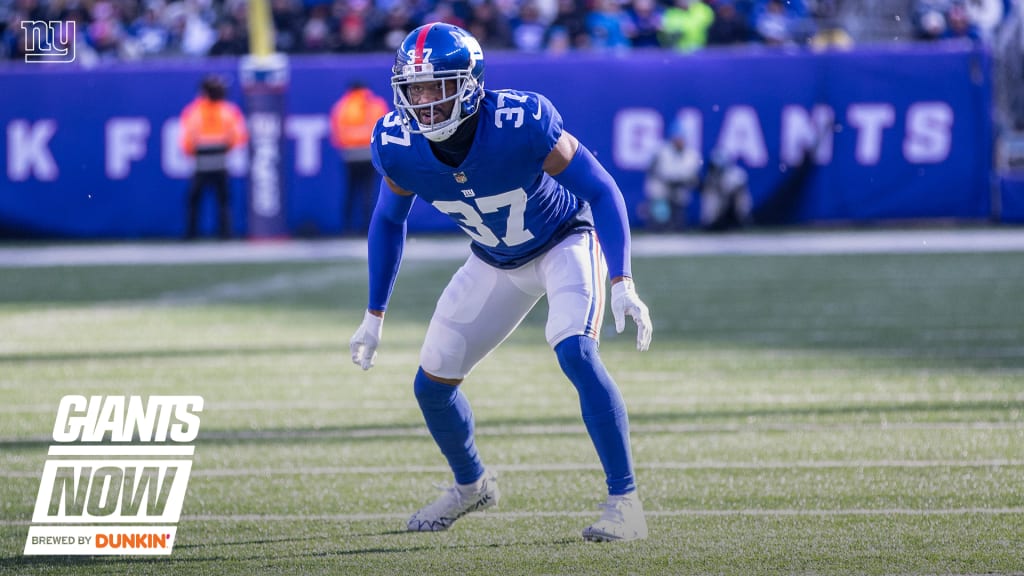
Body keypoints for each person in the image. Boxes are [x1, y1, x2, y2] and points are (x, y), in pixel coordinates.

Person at [348, 22, 653, 542]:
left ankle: (626, 503)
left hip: (562, 241)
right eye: (413, 89)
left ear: (470, 83)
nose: (423, 102)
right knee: (432, 385)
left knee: (575, 351)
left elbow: (601, 190)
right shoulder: (398, 144)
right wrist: (374, 314)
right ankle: (473, 486)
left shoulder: (520, 121)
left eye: (435, 86)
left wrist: (623, 279)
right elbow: (387, 220)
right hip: (494, 258)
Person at [179, 75, 248, 240]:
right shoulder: (225, 111)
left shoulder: (197, 112)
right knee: (217, 200)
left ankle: (198, 234)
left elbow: (187, 143)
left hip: (205, 164)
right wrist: (222, 146)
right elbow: (238, 138)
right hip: (215, 163)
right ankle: (220, 234)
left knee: (211, 200)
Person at [330, 81, 390, 236]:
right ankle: (368, 227)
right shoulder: (376, 104)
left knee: (350, 192)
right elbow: (384, 131)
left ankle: (347, 228)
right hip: (370, 154)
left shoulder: (342, 106)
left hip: (349, 155)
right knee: (368, 193)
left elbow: (337, 134)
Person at [643, 125, 702, 231]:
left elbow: (693, 178)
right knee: (659, 213)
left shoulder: (692, 155)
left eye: (681, 138)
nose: (679, 141)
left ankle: (676, 222)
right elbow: (653, 172)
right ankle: (657, 222)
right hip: (662, 188)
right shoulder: (661, 152)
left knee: (678, 221)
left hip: (680, 190)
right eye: (677, 138)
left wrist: (680, 182)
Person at [699, 149, 752, 231]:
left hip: (733, 204)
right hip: (720, 201)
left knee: (741, 198)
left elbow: (736, 190)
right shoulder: (712, 175)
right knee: (709, 196)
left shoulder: (737, 173)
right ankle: (710, 223)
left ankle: (741, 220)